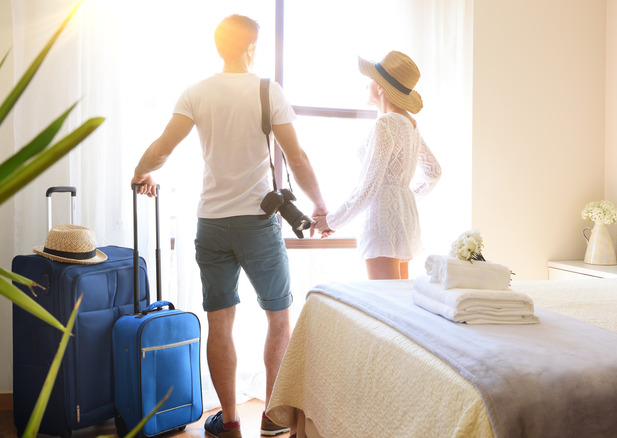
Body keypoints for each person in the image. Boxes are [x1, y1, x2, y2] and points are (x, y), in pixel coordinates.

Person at [131, 14, 327, 438]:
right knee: (278, 317)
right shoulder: (266, 90)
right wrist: (321, 207)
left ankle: (232, 421)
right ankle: (274, 420)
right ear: (251, 47)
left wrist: (140, 172)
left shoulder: (196, 93)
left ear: (219, 46)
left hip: (212, 224)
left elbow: (163, 148)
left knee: (220, 321)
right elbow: (297, 157)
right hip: (257, 224)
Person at [312, 51, 441, 280]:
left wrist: (332, 221)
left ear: (381, 87)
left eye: (371, 80)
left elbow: (369, 185)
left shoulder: (387, 123)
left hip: (383, 221)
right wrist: (404, 196)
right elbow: (433, 172)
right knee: (397, 302)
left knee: (385, 304)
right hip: (404, 218)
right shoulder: (409, 124)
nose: (367, 86)